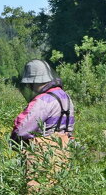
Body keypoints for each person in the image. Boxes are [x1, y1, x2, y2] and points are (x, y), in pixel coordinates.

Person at [10, 59, 74, 188]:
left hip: (42, 151)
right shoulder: (65, 96)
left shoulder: (43, 100)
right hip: (64, 148)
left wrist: (14, 140)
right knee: (58, 190)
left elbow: (23, 130)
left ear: (32, 82)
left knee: (36, 192)